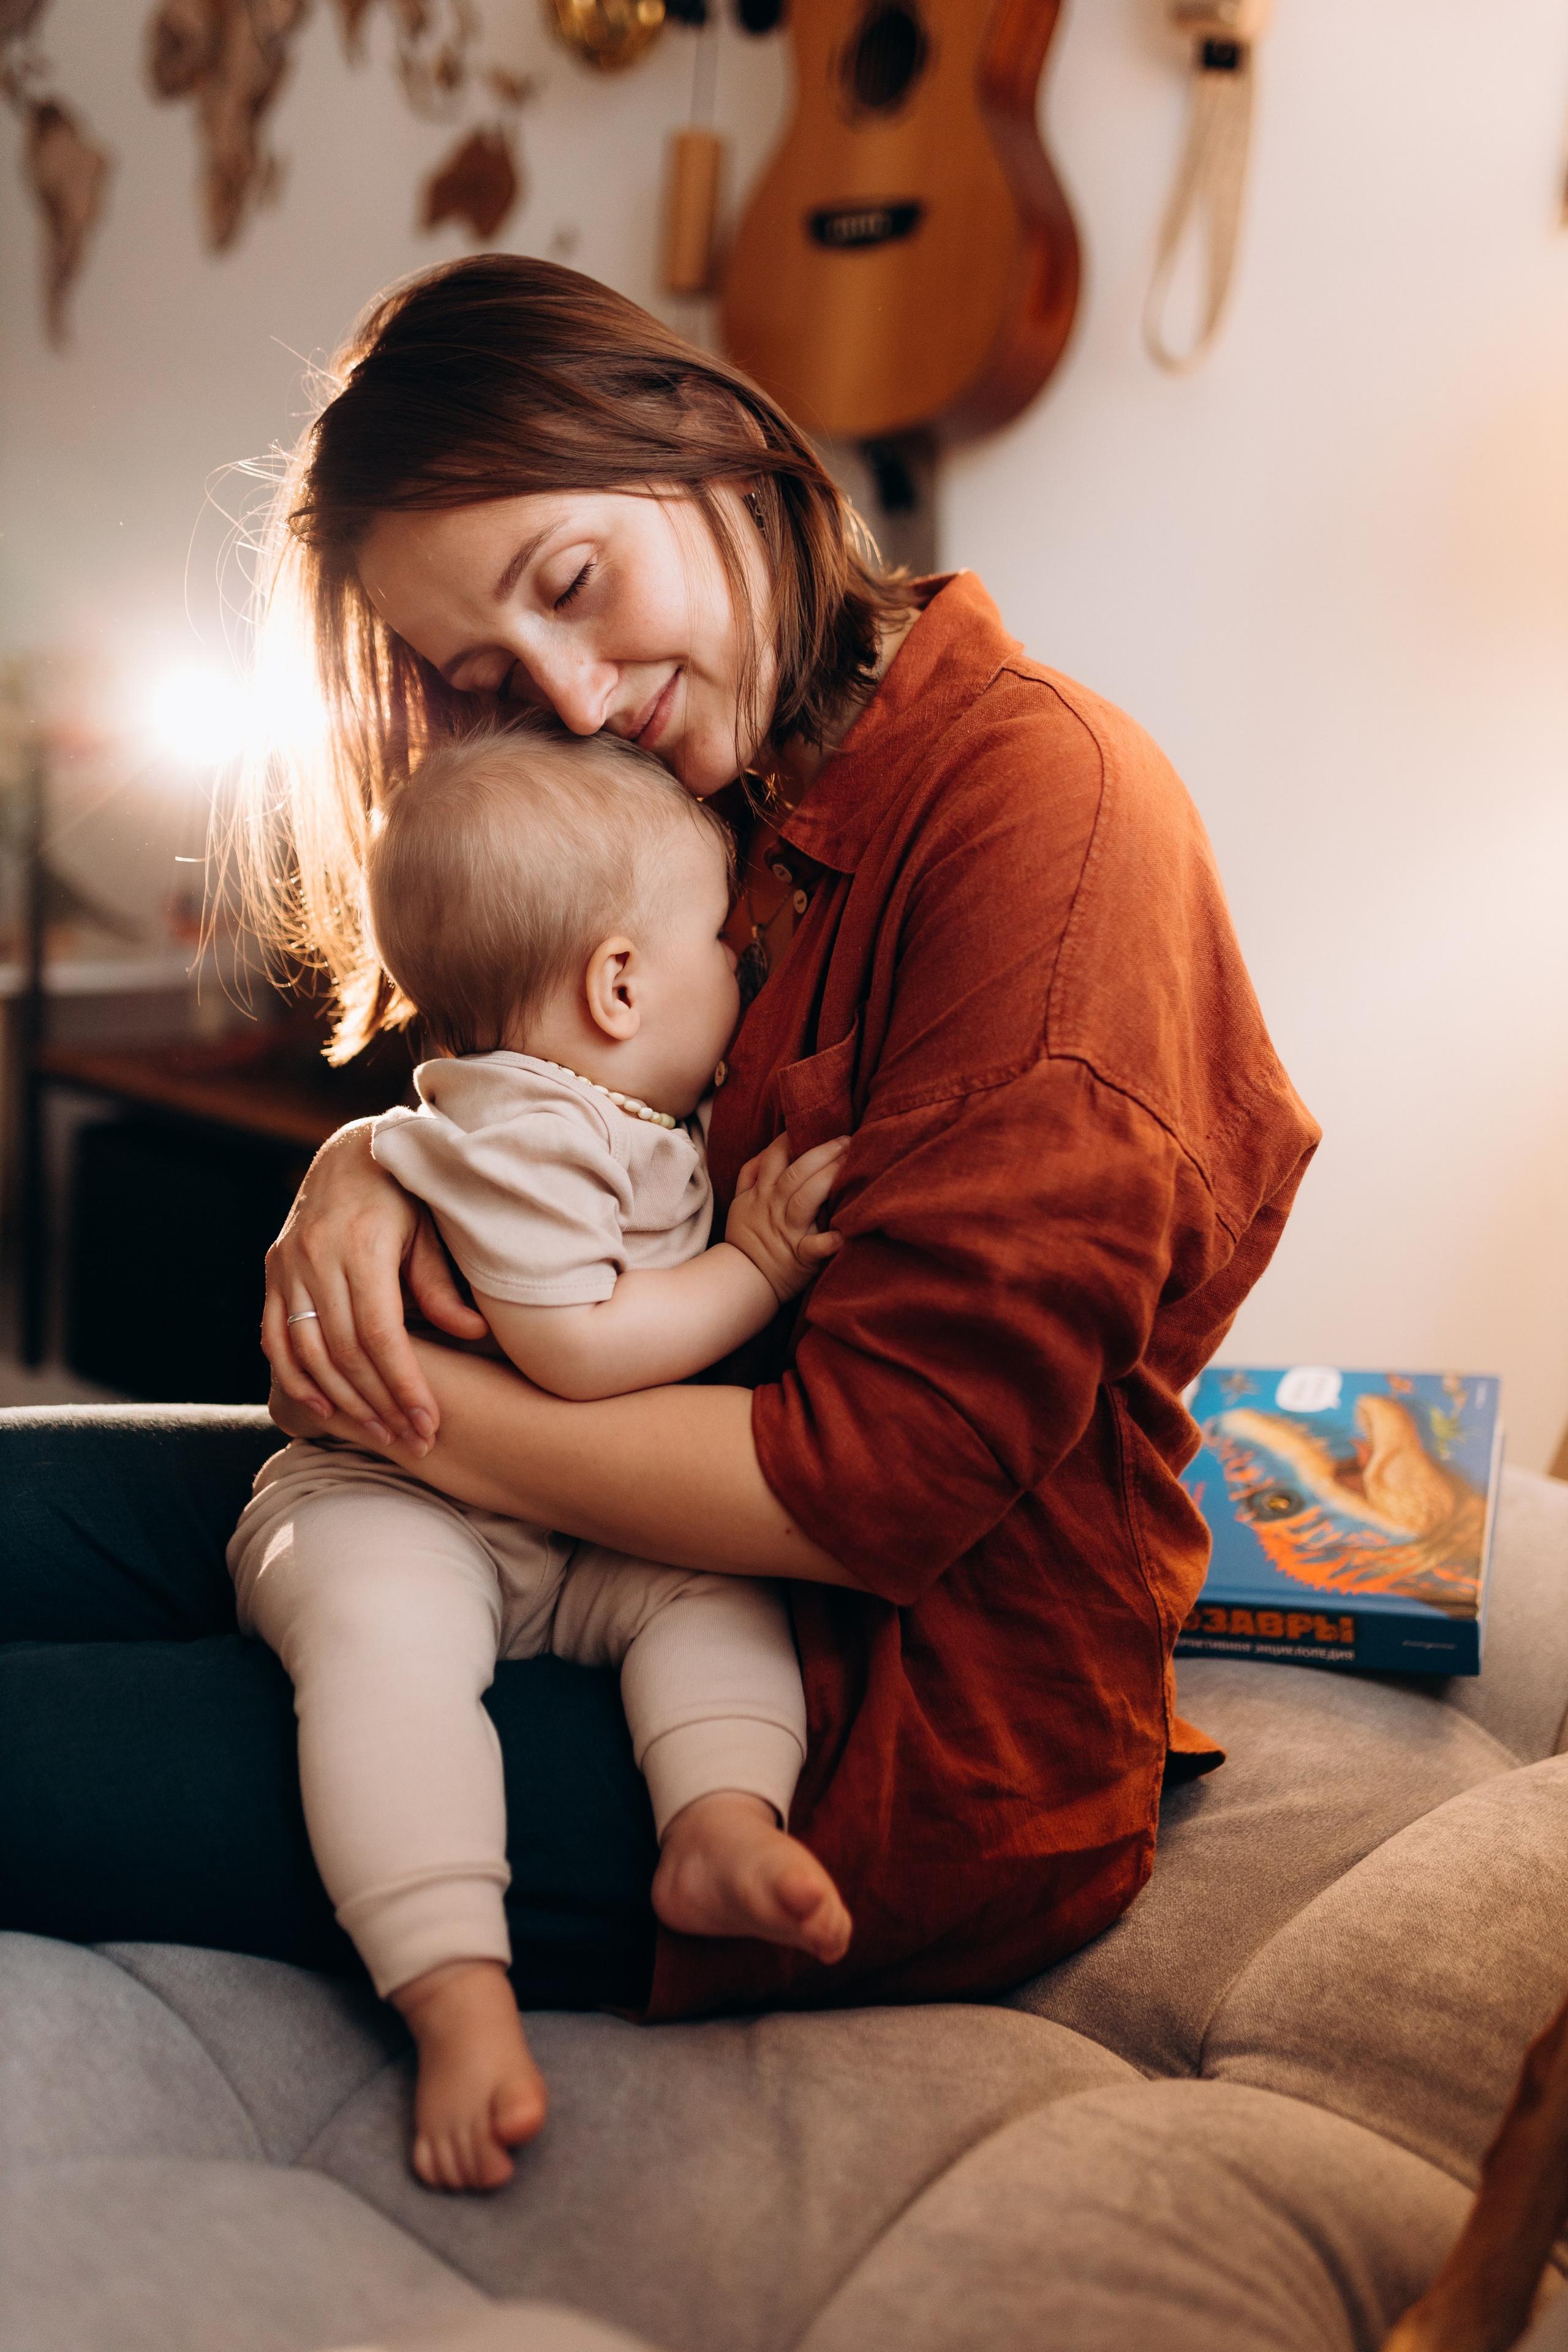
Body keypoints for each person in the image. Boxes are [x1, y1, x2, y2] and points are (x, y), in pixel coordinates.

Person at [0, 254, 1319, 2025]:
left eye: (572, 584)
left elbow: (879, 1482)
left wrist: (412, 1405)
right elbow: (548, 1089)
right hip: (517, 1531)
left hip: (843, 1720)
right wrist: (370, 1160)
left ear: (702, 437)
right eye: (490, 668)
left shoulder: (1045, 818)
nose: (568, 692)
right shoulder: (712, 761)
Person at [230, 721, 850, 2190]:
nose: (744, 980)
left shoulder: (609, 1110)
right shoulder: (528, 1127)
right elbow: (576, 1348)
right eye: (724, 948)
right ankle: (451, 1986)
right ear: (619, 983)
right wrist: (757, 1266)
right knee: (388, 1658)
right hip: (392, 1504)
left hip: (570, 1538)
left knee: (713, 1600)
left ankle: (715, 1821)